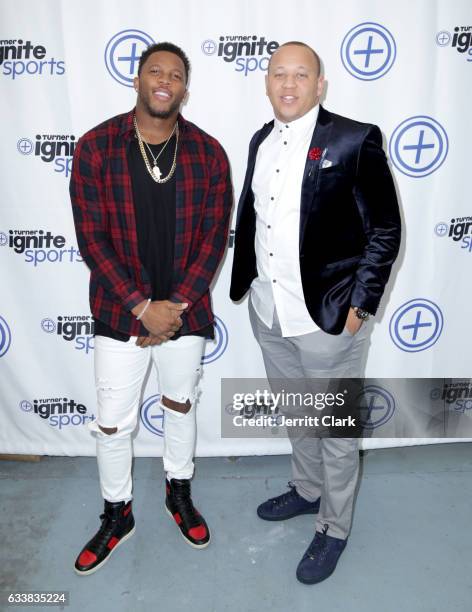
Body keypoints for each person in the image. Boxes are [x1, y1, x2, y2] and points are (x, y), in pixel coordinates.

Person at [230, 41, 401, 584]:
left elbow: (385, 230)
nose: (288, 84)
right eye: (279, 73)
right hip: (270, 314)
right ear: (266, 82)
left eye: (300, 75)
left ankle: (334, 527)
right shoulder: (261, 139)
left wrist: (360, 305)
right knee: (299, 417)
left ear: (320, 84)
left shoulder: (355, 139)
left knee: (334, 430)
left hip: (330, 320)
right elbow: (258, 223)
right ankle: (307, 492)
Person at [70, 42, 232, 575]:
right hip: (121, 312)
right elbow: (92, 239)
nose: (165, 80)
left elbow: (213, 238)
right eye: (155, 71)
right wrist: (143, 307)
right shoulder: (95, 147)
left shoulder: (209, 153)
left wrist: (175, 308)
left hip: (185, 313)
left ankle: (177, 492)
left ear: (186, 89)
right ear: (137, 80)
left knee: (180, 405)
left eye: (176, 75)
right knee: (113, 425)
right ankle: (117, 513)